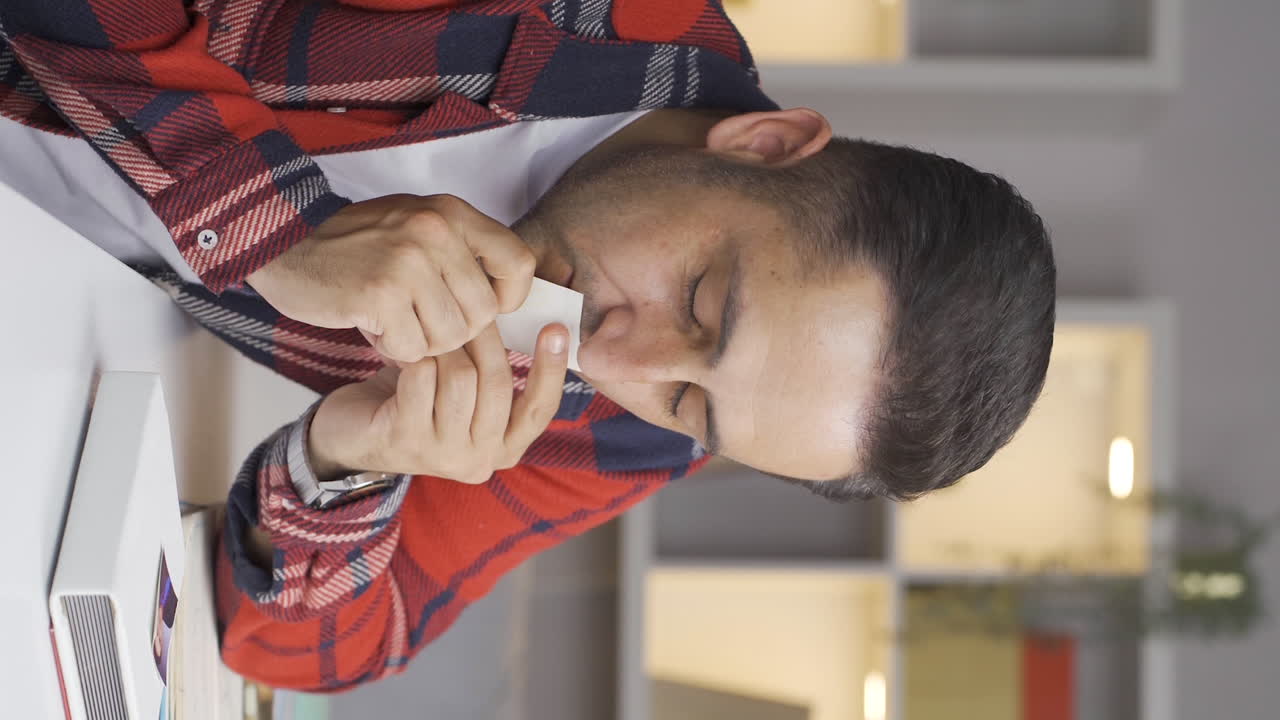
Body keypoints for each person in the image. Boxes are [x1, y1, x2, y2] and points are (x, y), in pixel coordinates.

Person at [0, 0, 1055, 691]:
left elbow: (304, 648)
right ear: (763, 145)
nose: (618, 359)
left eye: (692, 406)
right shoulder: (593, 19)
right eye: (701, 297)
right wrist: (273, 223)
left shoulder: (626, 431)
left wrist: (349, 465)